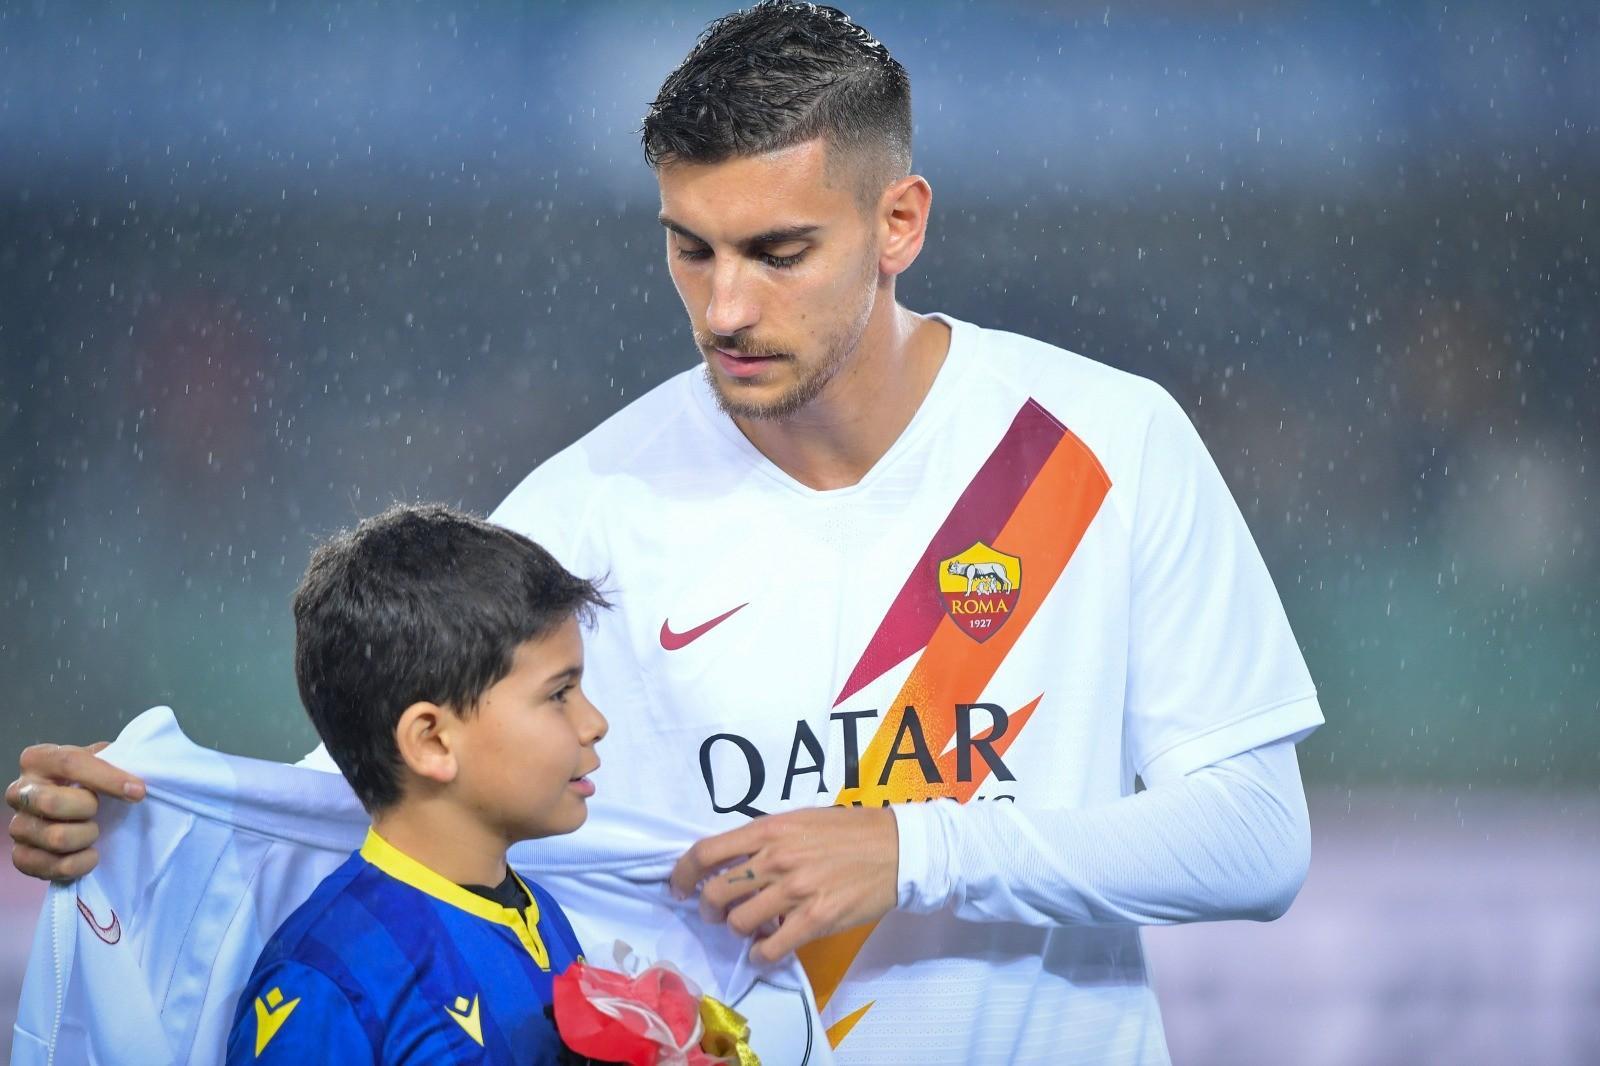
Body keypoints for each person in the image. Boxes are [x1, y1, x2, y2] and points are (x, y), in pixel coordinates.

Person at [9, 3, 1322, 1063]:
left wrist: (917, 848)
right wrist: (128, 826)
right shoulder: (594, 506)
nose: (725, 305)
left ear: (899, 225)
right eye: (689, 250)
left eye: (778, 250)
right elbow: (379, 799)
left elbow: (1258, 840)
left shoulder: (1101, 443)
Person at [221, 503, 606, 1062]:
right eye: (558, 694)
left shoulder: (540, 915)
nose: (595, 723)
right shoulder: (325, 981)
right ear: (431, 740)